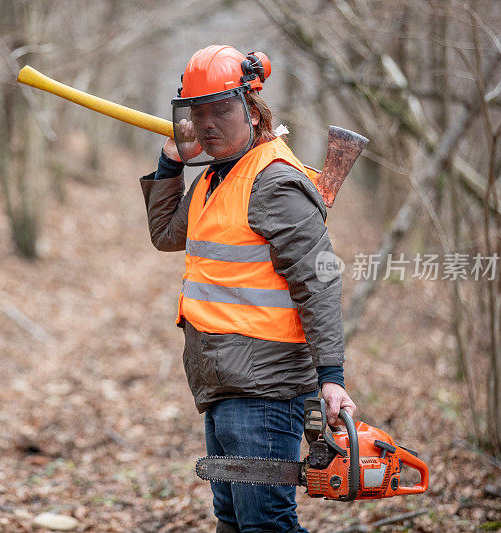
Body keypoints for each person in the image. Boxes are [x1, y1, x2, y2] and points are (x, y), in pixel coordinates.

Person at [139, 45, 356, 533]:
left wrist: (332, 376)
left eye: (222, 109)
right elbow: (166, 235)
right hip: (222, 380)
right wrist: (171, 161)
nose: (209, 124)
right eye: (199, 113)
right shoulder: (218, 177)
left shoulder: (273, 182)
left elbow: (319, 281)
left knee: (265, 524)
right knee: (234, 521)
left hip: (263, 386)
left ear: (253, 110)